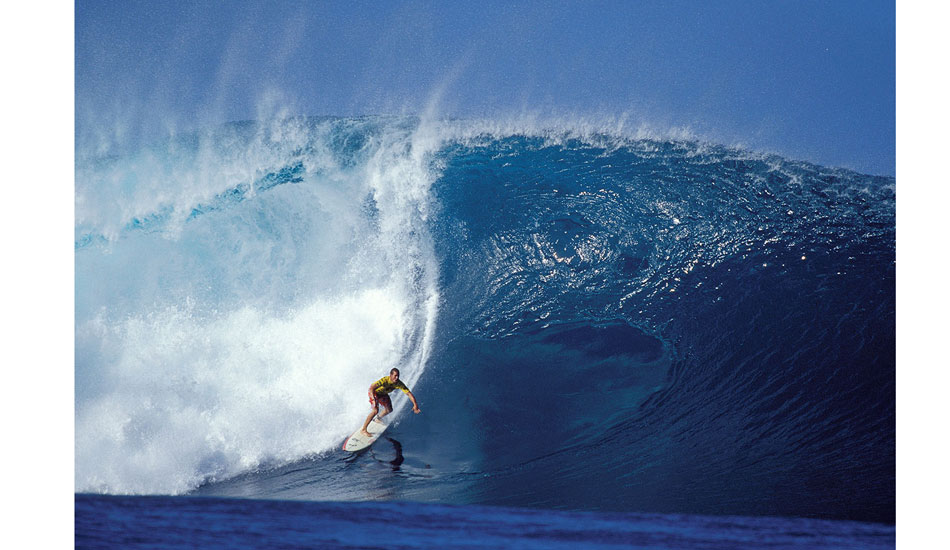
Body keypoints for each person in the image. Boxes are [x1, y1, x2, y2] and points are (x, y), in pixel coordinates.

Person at [360, 368, 421, 438]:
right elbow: (371, 388)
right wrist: (373, 399)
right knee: (375, 411)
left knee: (389, 409)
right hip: (374, 393)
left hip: (383, 394)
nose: (397, 377)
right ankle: (363, 430)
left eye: (398, 376)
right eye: (395, 375)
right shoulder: (384, 380)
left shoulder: (399, 383)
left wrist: (415, 404)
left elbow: (409, 394)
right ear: (390, 375)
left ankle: (378, 419)